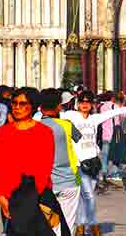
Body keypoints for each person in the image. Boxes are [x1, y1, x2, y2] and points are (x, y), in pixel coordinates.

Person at [63, 89, 126, 233]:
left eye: (88, 102)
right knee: (88, 196)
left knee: (87, 195)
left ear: (92, 104)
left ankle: (82, 226)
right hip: (79, 165)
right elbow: (51, 114)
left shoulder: (94, 119)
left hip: (93, 163)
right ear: (78, 104)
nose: (85, 104)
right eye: (82, 101)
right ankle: (88, 225)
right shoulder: (71, 116)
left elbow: (113, 113)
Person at [0, 87, 59, 236]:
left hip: (37, 196)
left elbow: (45, 168)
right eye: (14, 103)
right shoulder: (4, 133)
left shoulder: (44, 132)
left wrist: (30, 200)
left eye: (22, 104)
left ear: (32, 106)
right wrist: (1, 196)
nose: (17, 107)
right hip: (10, 197)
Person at [37, 88, 82, 230]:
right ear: (59, 106)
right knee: (68, 223)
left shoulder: (34, 126)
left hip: (44, 183)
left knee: (49, 223)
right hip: (70, 180)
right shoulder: (66, 125)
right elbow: (78, 137)